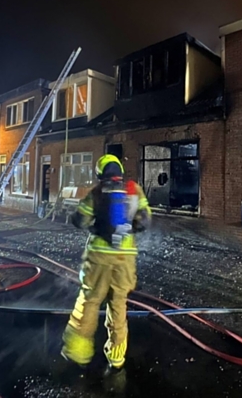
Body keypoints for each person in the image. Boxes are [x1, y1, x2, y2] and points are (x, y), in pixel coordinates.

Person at [61, 154, 151, 375]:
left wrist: (94, 225)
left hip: (99, 257)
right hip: (125, 258)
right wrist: (126, 229)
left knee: (90, 301)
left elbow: (80, 220)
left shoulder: (97, 192)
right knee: (118, 305)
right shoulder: (133, 190)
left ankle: (79, 353)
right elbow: (145, 220)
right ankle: (117, 358)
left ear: (100, 173)